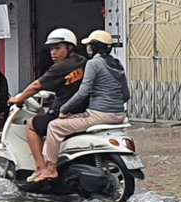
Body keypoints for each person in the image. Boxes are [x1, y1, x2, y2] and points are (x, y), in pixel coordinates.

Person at [37, 30, 130, 183]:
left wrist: (64, 109)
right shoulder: (117, 64)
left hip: (99, 114)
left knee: (54, 126)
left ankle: (51, 169)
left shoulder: (93, 63)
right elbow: (126, 94)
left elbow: (83, 91)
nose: (88, 49)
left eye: (89, 46)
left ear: (93, 48)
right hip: (119, 115)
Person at [8, 29, 85, 175]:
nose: (53, 53)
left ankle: (41, 168)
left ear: (69, 48)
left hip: (63, 114)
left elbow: (37, 86)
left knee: (32, 125)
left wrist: (19, 99)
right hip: (82, 112)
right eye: (51, 49)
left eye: (58, 48)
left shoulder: (60, 67)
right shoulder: (82, 62)